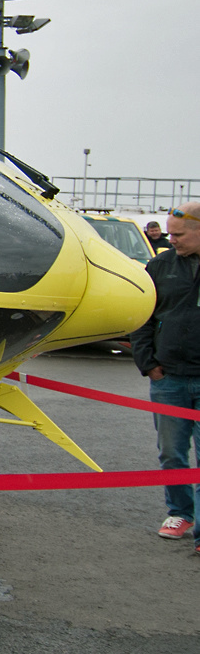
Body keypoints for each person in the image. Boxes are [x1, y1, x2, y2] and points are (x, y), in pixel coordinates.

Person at [130, 203, 200, 552]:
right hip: (169, 376)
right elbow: (141, 315)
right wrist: (148, 363)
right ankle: (180, 512)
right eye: (170, 233)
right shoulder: (159, 266)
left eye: (179, 234)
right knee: (172, 452)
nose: (171, 240)